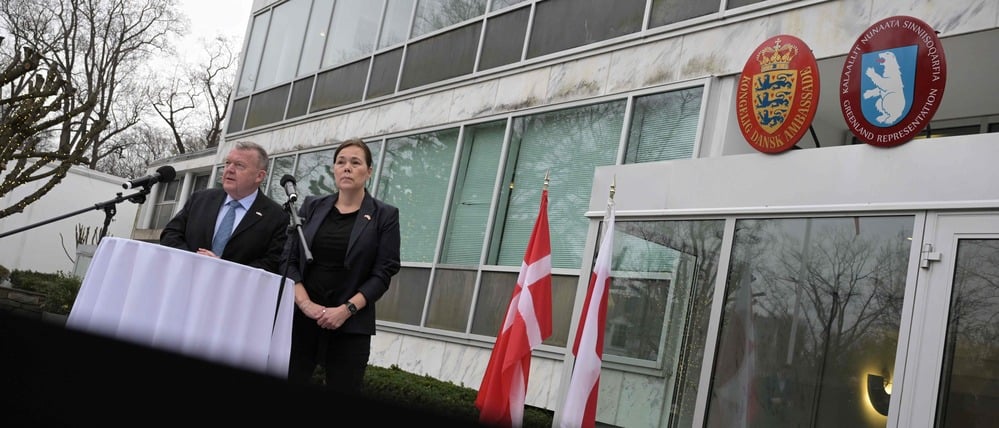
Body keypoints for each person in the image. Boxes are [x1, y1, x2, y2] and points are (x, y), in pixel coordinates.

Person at [282, 138, 401, 393]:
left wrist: (346, 310)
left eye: (355, 162)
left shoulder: (385, 215)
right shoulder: (311, 206)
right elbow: (289, 260)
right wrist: (305, 305)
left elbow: (384, 272)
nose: (347, 167)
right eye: (341, 162)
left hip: (351, 325)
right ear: (334, 169)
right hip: (302, 321)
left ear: (369, 171)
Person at [160, 141, 289, 274]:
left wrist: (224, 268)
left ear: (259, 176)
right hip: (186, 279)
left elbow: (272, 262)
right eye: (228, 163)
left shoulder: (276, 216)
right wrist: (194, 259)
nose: (229, 169)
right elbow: (170, 234)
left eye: (239, 165)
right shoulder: (200, 199)